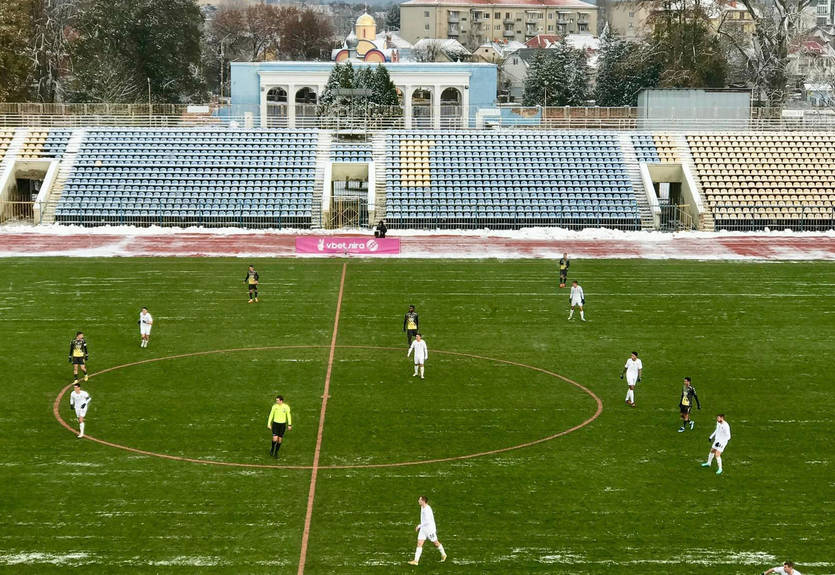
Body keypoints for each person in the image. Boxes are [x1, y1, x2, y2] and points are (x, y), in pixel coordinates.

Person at [408, 496, 447, 565]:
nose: (418, 501)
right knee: (419, 543)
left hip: (429, 530)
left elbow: (428, 521)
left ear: (423, 501)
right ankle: (416, 561)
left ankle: (443, 554)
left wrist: (419, 526)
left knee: (436, 543)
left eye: (419, 500)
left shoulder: (427, 510)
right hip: (423, 529)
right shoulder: (422, 507)